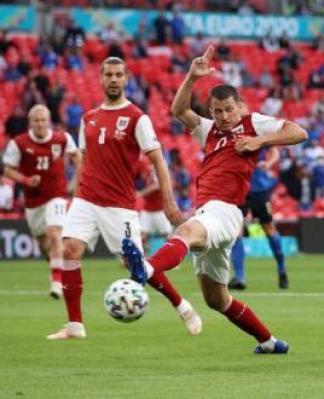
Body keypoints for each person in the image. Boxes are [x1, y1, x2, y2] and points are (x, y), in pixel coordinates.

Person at [122, 45, 307, 354]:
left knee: (186, 232)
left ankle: (146, 268)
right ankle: (270, 342)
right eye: (217, 111)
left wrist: (261, 140)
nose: (222, 116)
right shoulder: (208, 130)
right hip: (210, 212)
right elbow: (179, 111)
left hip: (226, 211)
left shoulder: (253, 123)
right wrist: (192, 77)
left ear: (240, 107)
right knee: (216, 300)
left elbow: (299, 132)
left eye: (228, 110)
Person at [47, 57, 201, 340]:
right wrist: (75, 191)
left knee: (139, 266)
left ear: (126, 79)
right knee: (69, 250)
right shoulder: (88, 118)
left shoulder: (137, 117)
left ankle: (182, 306)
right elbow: (83, 157)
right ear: (101, 78)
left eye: (119, 74)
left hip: (119, 205)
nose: (114, 79)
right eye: (109, 74)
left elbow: (158, 161)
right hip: (86, 199)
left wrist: (168, 201)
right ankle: (74, 325)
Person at [2, 104, 82, 298]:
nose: (40, 124)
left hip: (57, 195)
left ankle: (56, 282)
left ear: (49, 122)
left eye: (43, 120)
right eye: (36, 120)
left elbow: (78, 157)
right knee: (44, 244)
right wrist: (26, 180)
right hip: (33, 201)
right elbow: (7, 169)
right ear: (30, 123)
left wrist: (75, 181)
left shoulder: (62, 138)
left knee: (55, 233)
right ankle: (61, 270)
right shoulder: (19, 143)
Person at [229, 147, 290, 290]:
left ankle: (282, 269)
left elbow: (274, 151)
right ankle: (240, 277)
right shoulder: (229, 132)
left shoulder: (256, 130)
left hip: (258, 189)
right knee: (237, 232)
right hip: (239, 189)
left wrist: (269, 164)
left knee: (269, 229)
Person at [137, 157, 173, 255]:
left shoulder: (158, 167)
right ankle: (142, 260)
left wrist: (142, 193)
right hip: (147, 208)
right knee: (142, 236)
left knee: (168, 235)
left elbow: (158, 185)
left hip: (159, 208)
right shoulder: (143, 167)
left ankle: (172, 259)